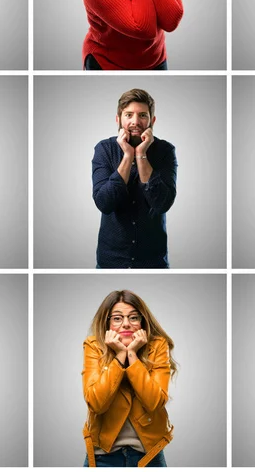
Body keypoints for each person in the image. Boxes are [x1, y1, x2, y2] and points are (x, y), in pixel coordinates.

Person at [82, 289, 177, 467]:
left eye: (133, 317)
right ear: (106, 322)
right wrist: (119, 356)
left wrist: (131, 355)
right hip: (102, 455)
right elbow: (96, 403)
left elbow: (155, 402)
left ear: (142, 322)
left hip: (149, 455)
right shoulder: (94, 346)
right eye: (117, 318)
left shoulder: (157, 345)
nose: (126, 324)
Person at [92, 89, 177, 268]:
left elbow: (162, 203)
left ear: (152, 121)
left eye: (142, 115)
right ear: (118, 119)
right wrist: (127, 156)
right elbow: (104, 203)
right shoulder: (104, 150)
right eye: (128, 115)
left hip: (153, 262)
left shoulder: (165, 152)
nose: (135, 122)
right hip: (110, 261)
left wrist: (141, 155)